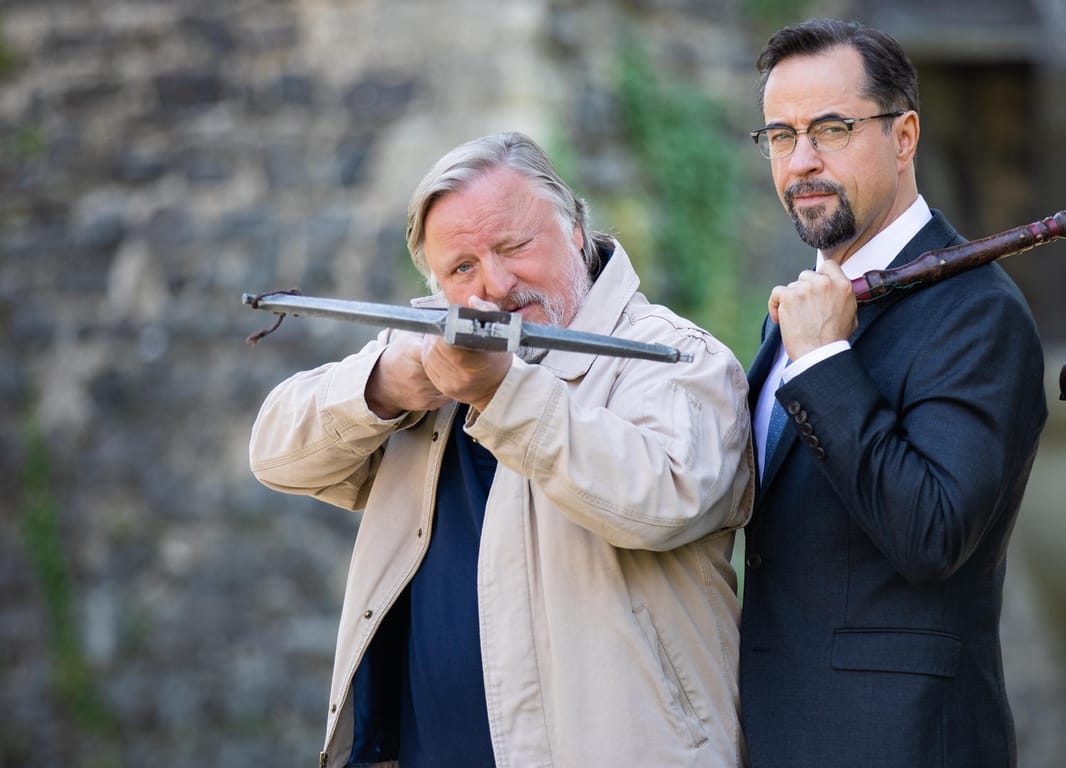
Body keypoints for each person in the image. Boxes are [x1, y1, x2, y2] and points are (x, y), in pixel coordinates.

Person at [249, 132, 753, 767]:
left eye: (514, 246)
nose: (496, 285)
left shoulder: (676, 356)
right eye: (462, 268)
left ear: (574, 230)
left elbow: (661, 499)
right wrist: (378, 386)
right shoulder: (425, 362)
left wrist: (503, 392)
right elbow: (273, 454)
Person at [739, 18, 1047, 767]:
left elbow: (932, 532)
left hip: (902, 742)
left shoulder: (978, 313)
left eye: (831, 129)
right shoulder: (807, 306)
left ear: (904, 136)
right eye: (781, 136)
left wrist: (820, 364)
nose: (802, 162)